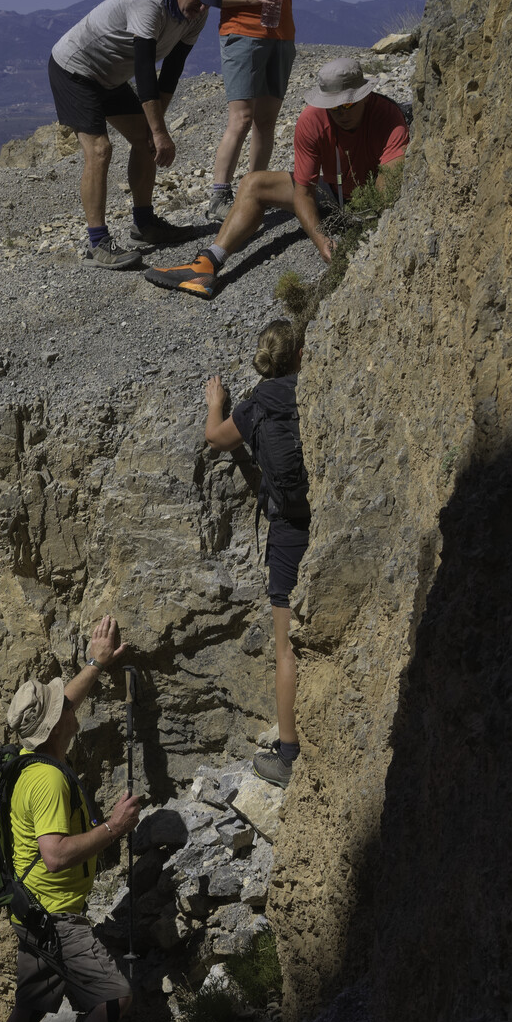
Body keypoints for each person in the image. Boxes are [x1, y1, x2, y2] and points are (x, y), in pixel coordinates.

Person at [0, 615, 143, 1022]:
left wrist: (96, 662)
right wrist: (115, 828)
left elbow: (64, 702)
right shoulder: (47, 780)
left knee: (28, 1006)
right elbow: (54, 854)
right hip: (56, 916)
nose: (72, 713)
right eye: (64, 712)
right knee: (115, 998)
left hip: (28, 911)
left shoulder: (25, 758)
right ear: (55, 729)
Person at [144, 56, 410, 298]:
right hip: (332, 191)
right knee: (253, 184)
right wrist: (321, 240)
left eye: (348, 104)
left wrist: (369, 229)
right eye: (333, 107)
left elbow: (389, 181)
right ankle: (207, 264)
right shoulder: (311, 120)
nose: (341, 113)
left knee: (381, 188)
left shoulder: (388, 116)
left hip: (369, 200)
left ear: (364, 95)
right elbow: (303, 191)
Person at [48, 0, 225, 269]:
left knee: (145, 140)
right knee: (100, 150)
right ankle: (97, 244)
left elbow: (171, 72)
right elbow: (145, 71)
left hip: (110, 76)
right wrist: (159, 131)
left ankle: (144, 227)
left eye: (209, 4)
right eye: (199, 0)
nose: (201, 9)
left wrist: (155, 131)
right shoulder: (148, 1)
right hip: (74, 68)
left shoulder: (196, 15)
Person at [203, 319, 309, 787]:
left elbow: (216, 438)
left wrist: (215, 405)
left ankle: (288, 757)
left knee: (286, 645)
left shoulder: (255, 406)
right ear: (299, 355)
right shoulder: (313, 387)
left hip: (287, 532)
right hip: (324, 516)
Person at [205, 0, 309, 219]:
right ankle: (219, 196)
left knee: (267, 119)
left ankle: (253, 191)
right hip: (241, 34)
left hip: (281, 33)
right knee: (242, 117)